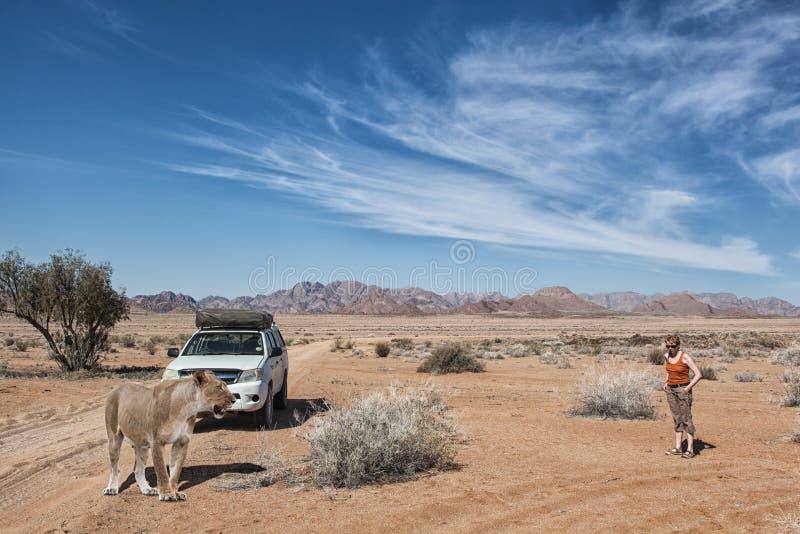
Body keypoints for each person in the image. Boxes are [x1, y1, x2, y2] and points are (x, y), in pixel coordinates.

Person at [662, 334, 702, 458]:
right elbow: (669, 371)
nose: (670, 349)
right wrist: (666, 382)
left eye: (672, 346)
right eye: (667, 346)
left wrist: (687, 388)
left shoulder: (685, 357)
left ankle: (690, 449)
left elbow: (698, 374)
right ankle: (678, 447)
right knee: (677, 417)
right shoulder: (666, 356)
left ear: (678, 346)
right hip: (671, 390)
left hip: (683, 389)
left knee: (686, 418)